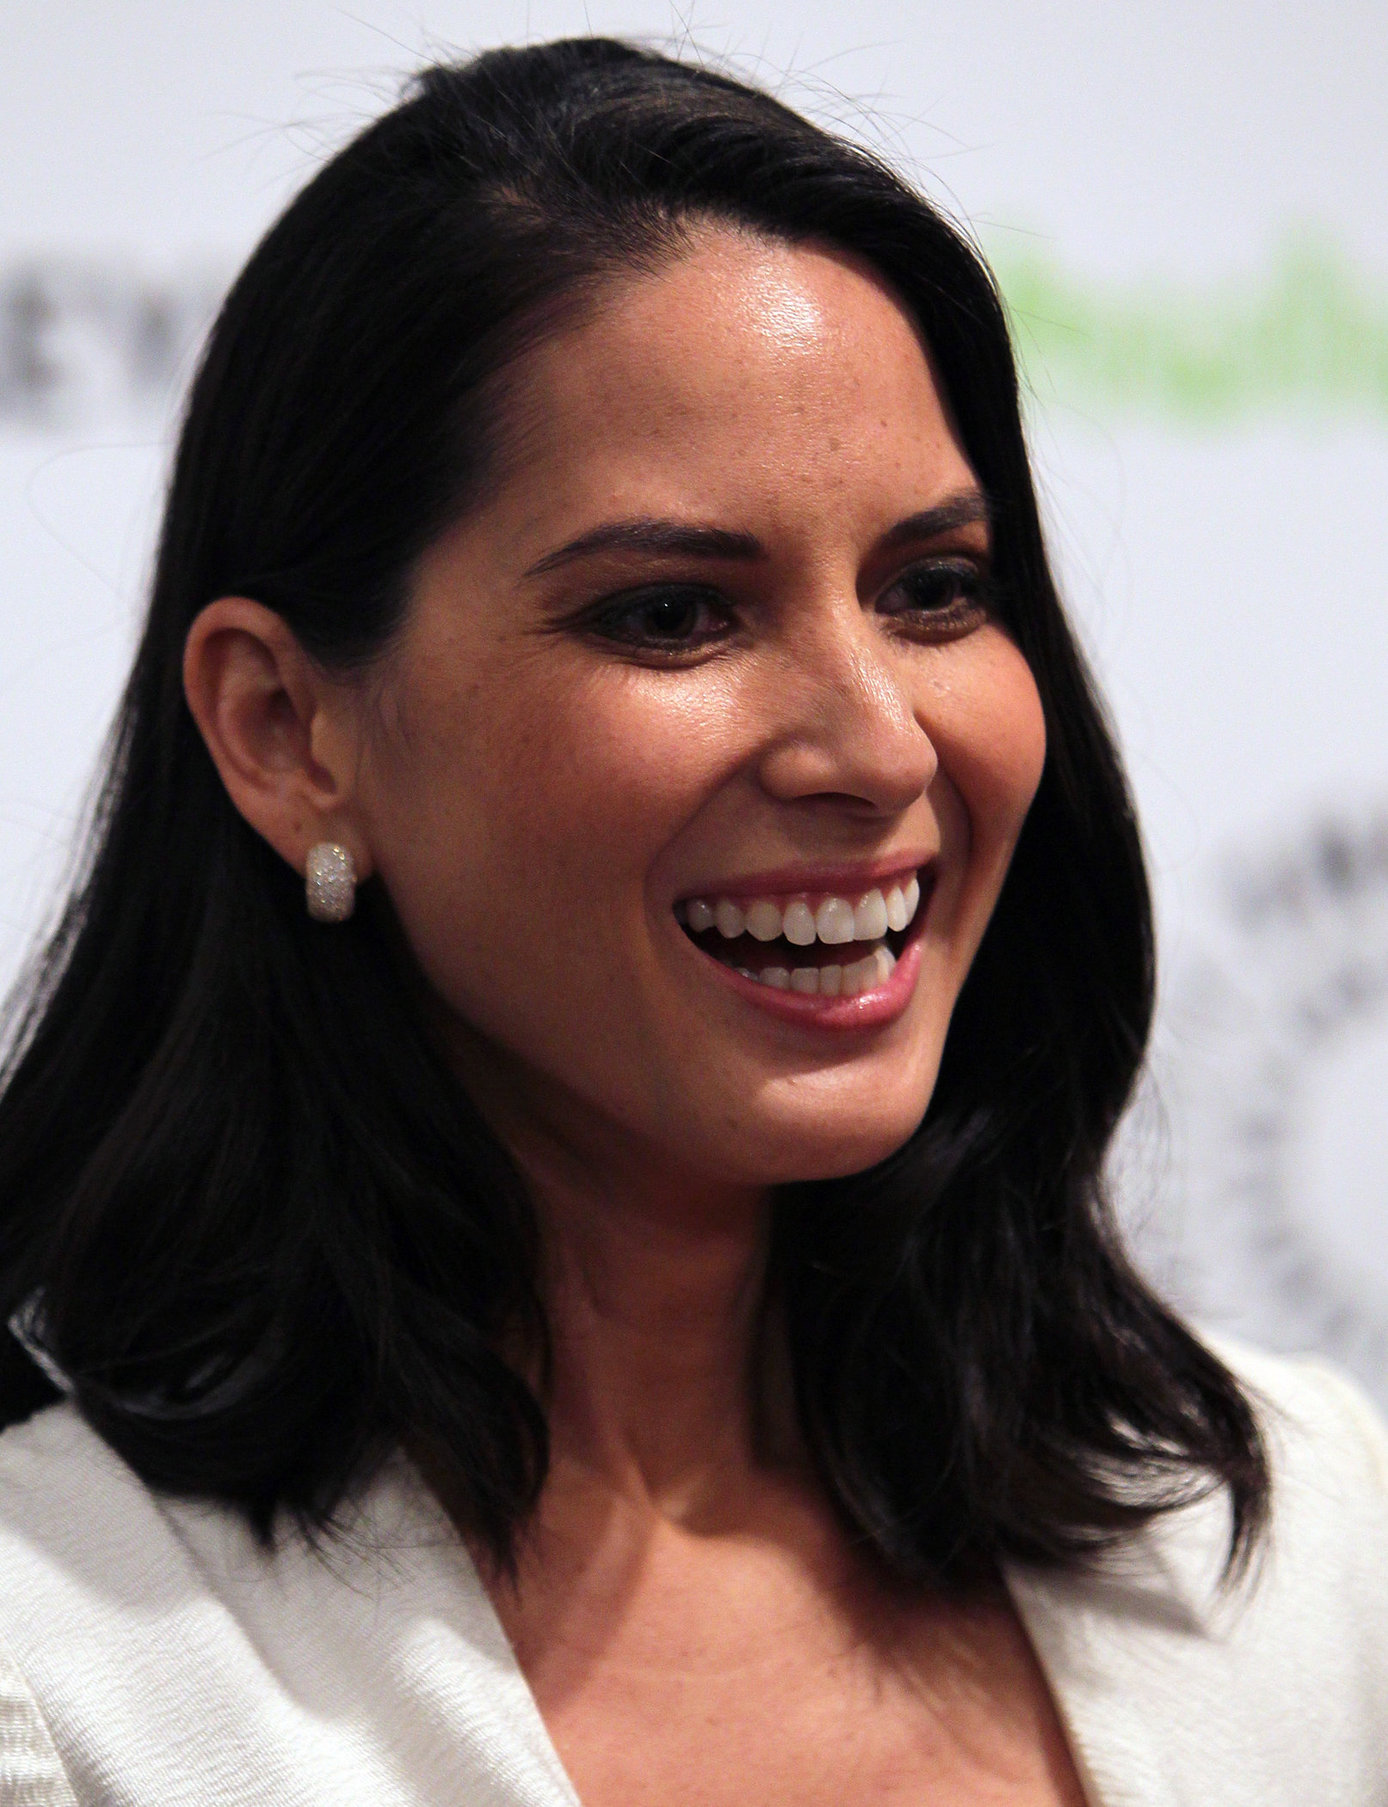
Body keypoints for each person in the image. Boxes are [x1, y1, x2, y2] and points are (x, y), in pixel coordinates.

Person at [0, 37, 1383, 1807]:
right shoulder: (63, 1676)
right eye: (673, 614)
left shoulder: (1308, 1547)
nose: (879, 746)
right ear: (289, 732)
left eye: (936, 591)